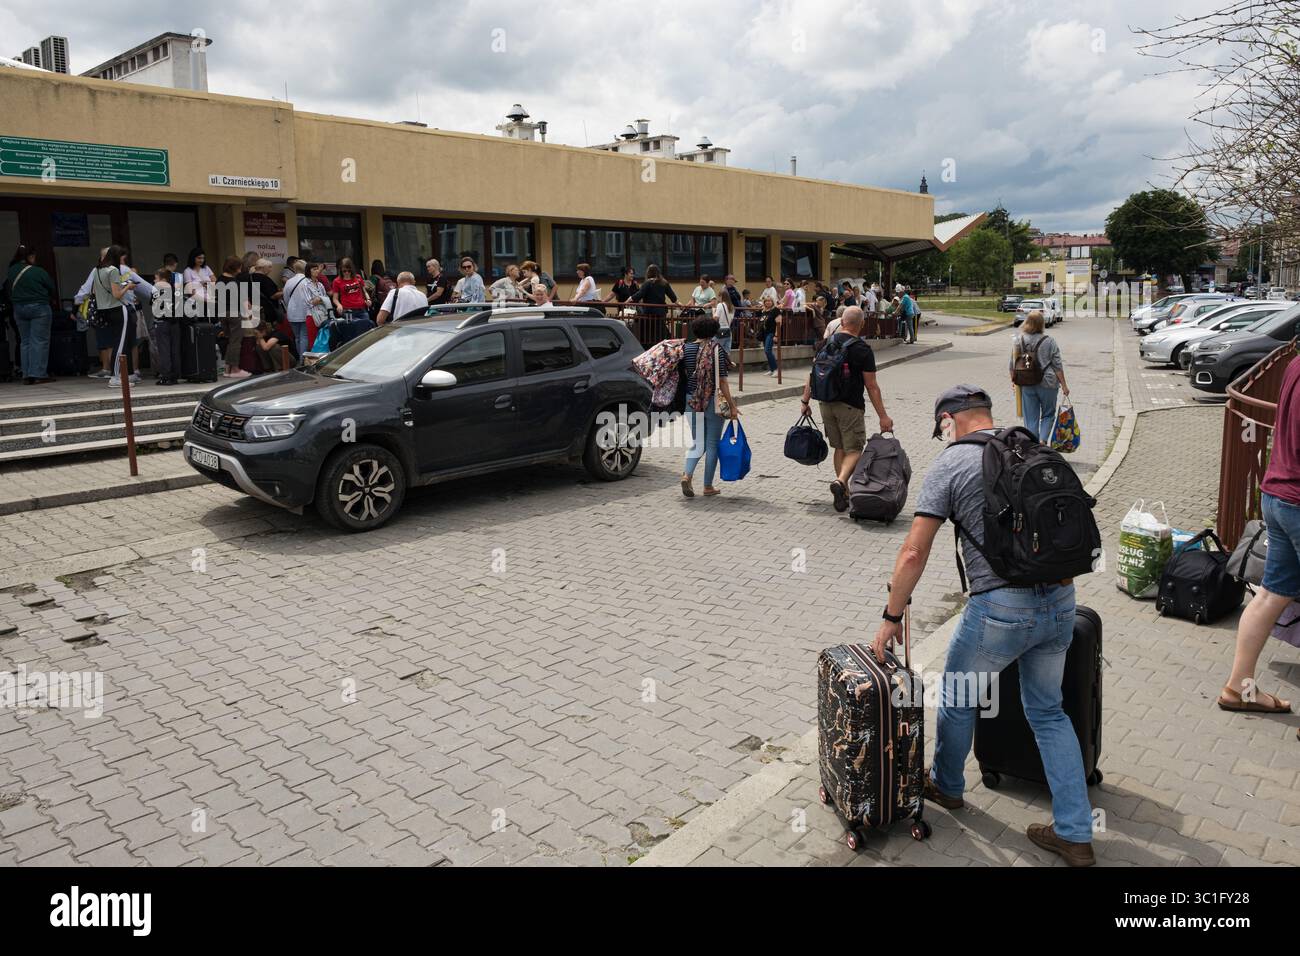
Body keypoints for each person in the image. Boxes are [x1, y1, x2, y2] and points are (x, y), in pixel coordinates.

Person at [871, 384, 1096, 867]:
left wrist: (891, 617)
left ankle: (948, 785)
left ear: (950, 419)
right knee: (1049, 713)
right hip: (1060, 599)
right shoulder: (1033, 444)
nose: (942, 437)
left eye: (941, 428)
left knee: (958, 697)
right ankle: (1076, 834)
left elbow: (913, 550)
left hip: (1000, 609)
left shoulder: (952, 463)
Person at [1219, 353, 1300, 721]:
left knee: (1271, 594)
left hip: (1277, 494)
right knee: (1271, 594)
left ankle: (1240, 688)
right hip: (1297, 501)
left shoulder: (1295, 364)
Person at [799, 306, 893, 512]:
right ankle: (841, 482)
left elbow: (812, 374)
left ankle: (845, 495)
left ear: (842, 322)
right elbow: (872, 386)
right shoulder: (862, 349)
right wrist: (883, 416)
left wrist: (805, 402)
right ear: (861, 325)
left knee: (839, 448)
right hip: (850, 406)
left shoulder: (824, 343)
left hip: (825, 403)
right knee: (855, 449)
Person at [679, 315, 739, 499]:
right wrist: (732, 405)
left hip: (691, 399)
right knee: (712, 444)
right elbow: (722, 381)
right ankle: (707, 486)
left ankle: (687, 474)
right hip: (712, 400)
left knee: (698, 443)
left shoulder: (685, 348)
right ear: (714, 332)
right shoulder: (716, 350)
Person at [1011, 310, 1069, 443]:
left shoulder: (1019, 340)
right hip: (1048, 383)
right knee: (1048, 414)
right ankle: (1042, 440)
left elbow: (1012, 364)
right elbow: (1057, 365)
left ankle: (1033, 444)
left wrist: (1014, 382)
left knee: (1030, 417)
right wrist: (1064, 386)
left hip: (1026, 382)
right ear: (1041, 324)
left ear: (1027, 322)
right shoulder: (1049, 341)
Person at [6, 246, 57, 384]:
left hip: (19, 308)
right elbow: (51, 287)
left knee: (25, 341)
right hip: (39, 307)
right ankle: (39, 374)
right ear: (30, 257)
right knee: (39, 340)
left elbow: (8, 289)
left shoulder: (12, 271)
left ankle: (26, 374)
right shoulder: (37, 271)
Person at [91, 245, 139, 387]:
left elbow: (97, 290)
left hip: (105, 310)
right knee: (121, 344)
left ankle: (126, 374)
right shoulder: (113, 270)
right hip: (119, 309)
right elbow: (117, 294)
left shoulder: (97, 270)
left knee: (118, 342)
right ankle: (116, 377)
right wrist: (128, 287)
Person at [213, 256, 251, 379]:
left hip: (222, 314)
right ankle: (235, 369)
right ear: (235, 268)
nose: (240, 270)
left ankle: (227, 369)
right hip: (234, 314)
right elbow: (245, 301)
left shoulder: (219, 280)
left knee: (230, 341)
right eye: (239, 267)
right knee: (236, 342)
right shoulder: (235, 282)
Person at [149, 267, 182, 385]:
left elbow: (153, 304)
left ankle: (166, 376)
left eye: (156, 278)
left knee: (164, 350)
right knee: (174, 350)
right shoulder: (176, 289)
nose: (154, 281)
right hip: (175, 323)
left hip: (162, 322)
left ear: (162, 279)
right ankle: (175, 375)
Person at [628, 264, 678, 341]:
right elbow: (673, 297)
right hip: (661, 313)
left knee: (649, 334)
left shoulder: (648, 283)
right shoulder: (664, 283)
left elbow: (639, 295)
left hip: (649, 313)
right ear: (658, 273)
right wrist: (678, 303)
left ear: (648, 273)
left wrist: (629, 299)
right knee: (660, 333)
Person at [331, 257, 373, 345]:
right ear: (341, 271)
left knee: (366, 333)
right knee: (351, 335)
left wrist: (368, 299)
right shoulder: (337, 281)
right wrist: (339, 305)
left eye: (348, 271)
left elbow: (364, 291)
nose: (346, 273)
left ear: (352, 270)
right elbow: (335, 298)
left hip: (361, 309)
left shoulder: (358, 277)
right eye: (344, 271)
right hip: (348, 312)